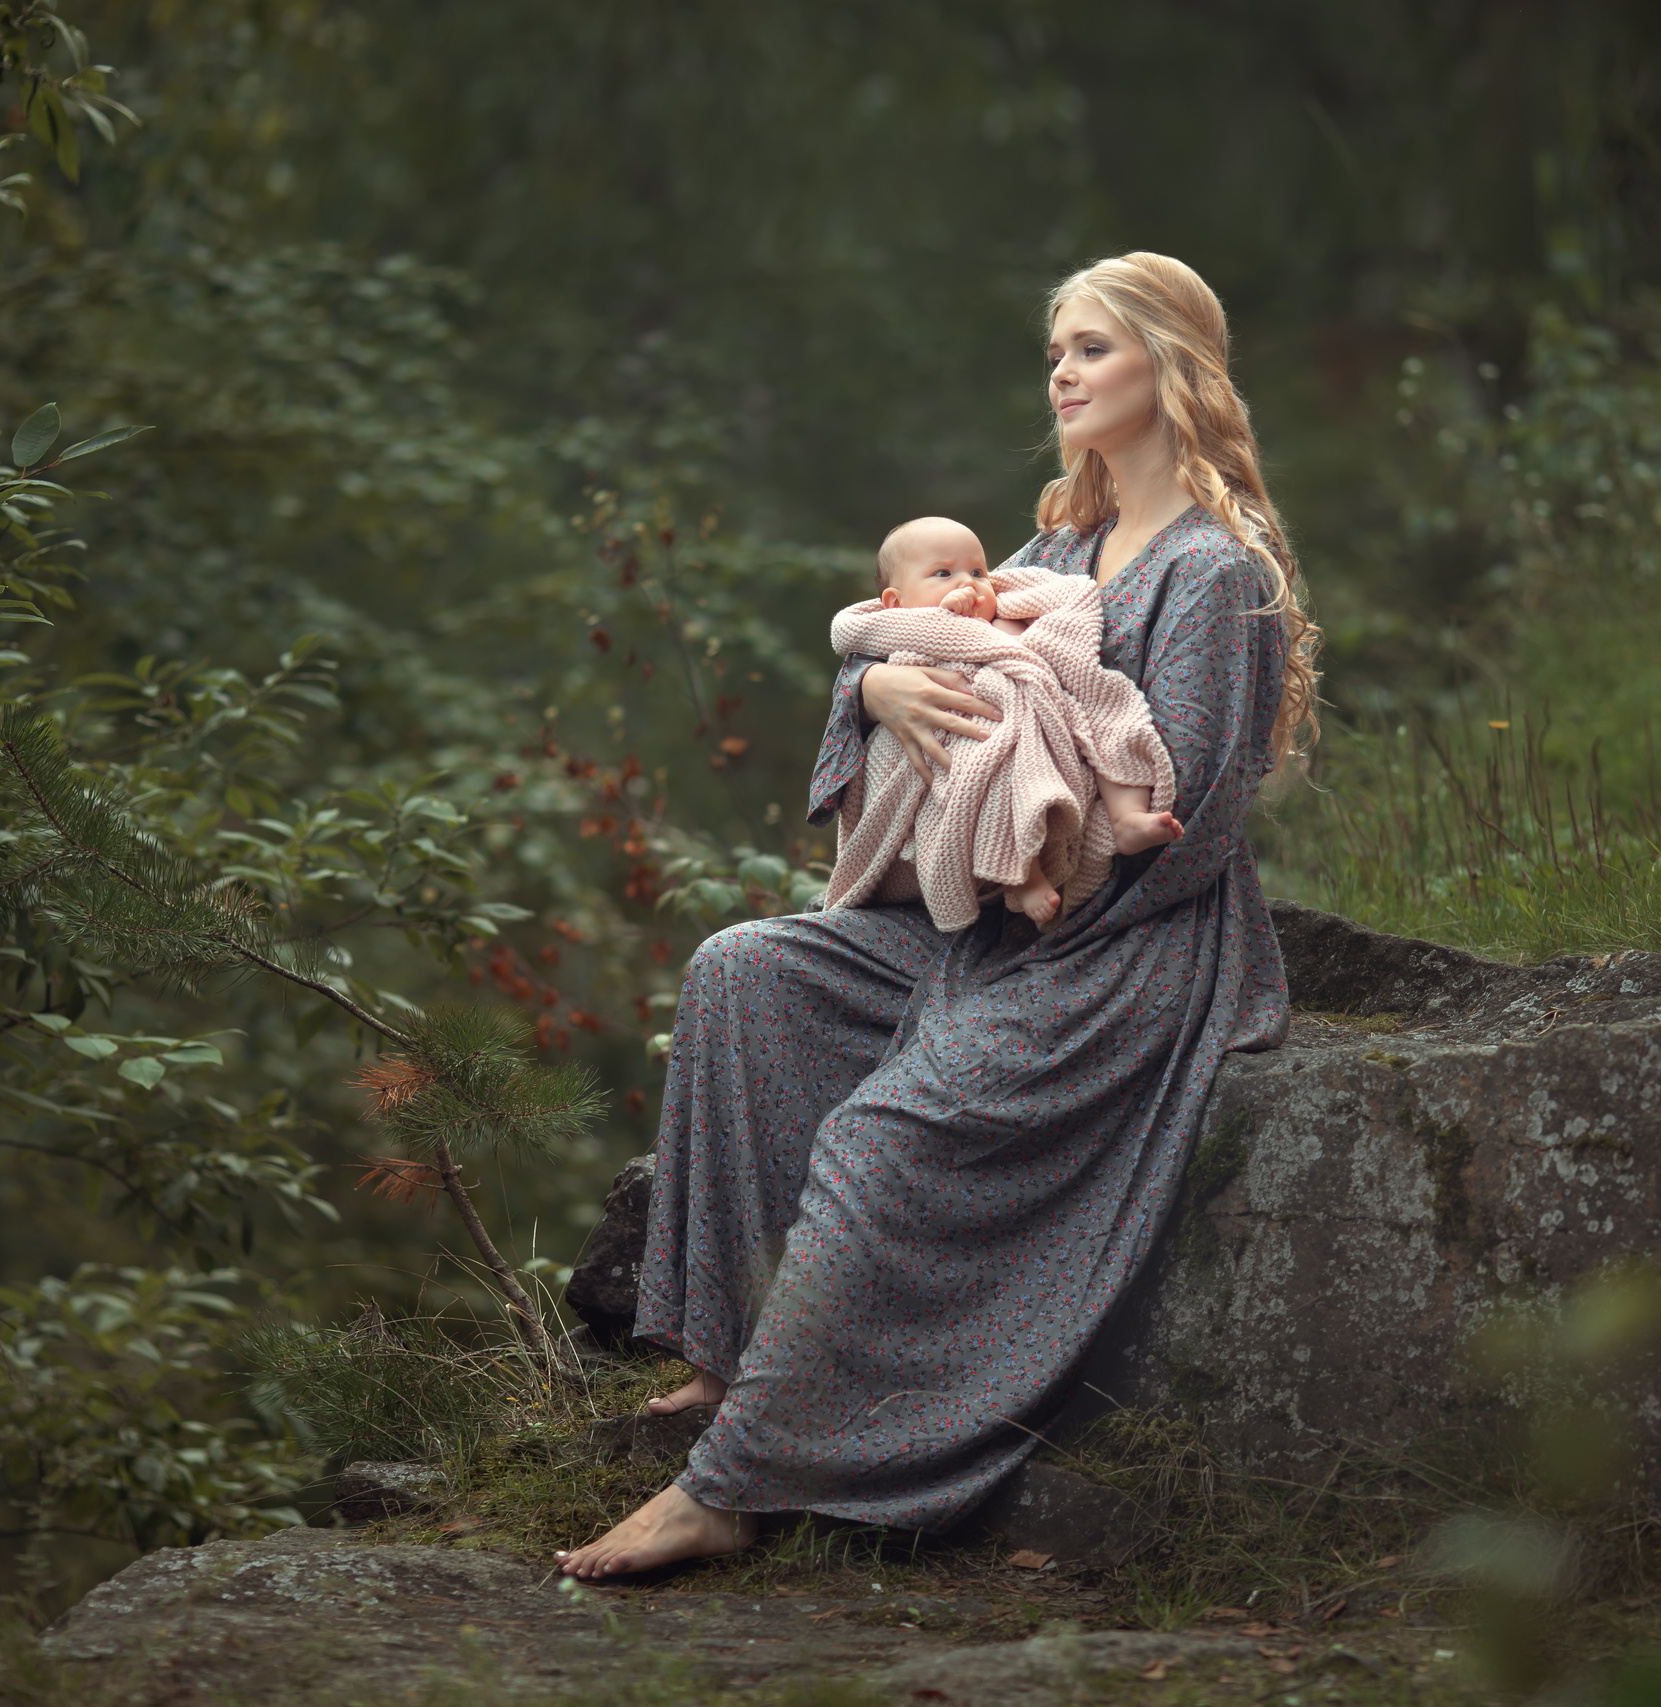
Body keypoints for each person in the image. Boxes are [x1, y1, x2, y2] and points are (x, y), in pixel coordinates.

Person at [556, 251, 1320, 1580]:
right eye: (1055, 352)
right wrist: (871, 701)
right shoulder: (1056, 548)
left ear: (1172, 367)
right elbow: (894, 646)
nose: (1063, 373)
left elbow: (1188, 822)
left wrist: (1034, 928)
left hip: (1124, 945)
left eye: (1093, 348)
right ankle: (736, 1356)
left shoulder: (1213, 571)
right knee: (744, 968)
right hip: (983, 919)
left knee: (893, 1123)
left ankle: (738, 1483)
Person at [825, 515, 1184, 930]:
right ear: (895, 602)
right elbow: (879, 673)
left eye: (978, 571)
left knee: (1109, 712)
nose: (970, 582)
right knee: (980, 773)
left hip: (1034, 708)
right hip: (960, 731)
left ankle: (1127, 816)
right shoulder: (902, 628)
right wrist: (873, 680)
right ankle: (1024, 875)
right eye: (943, 573)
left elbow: (1057, 646)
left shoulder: (1013, 611)